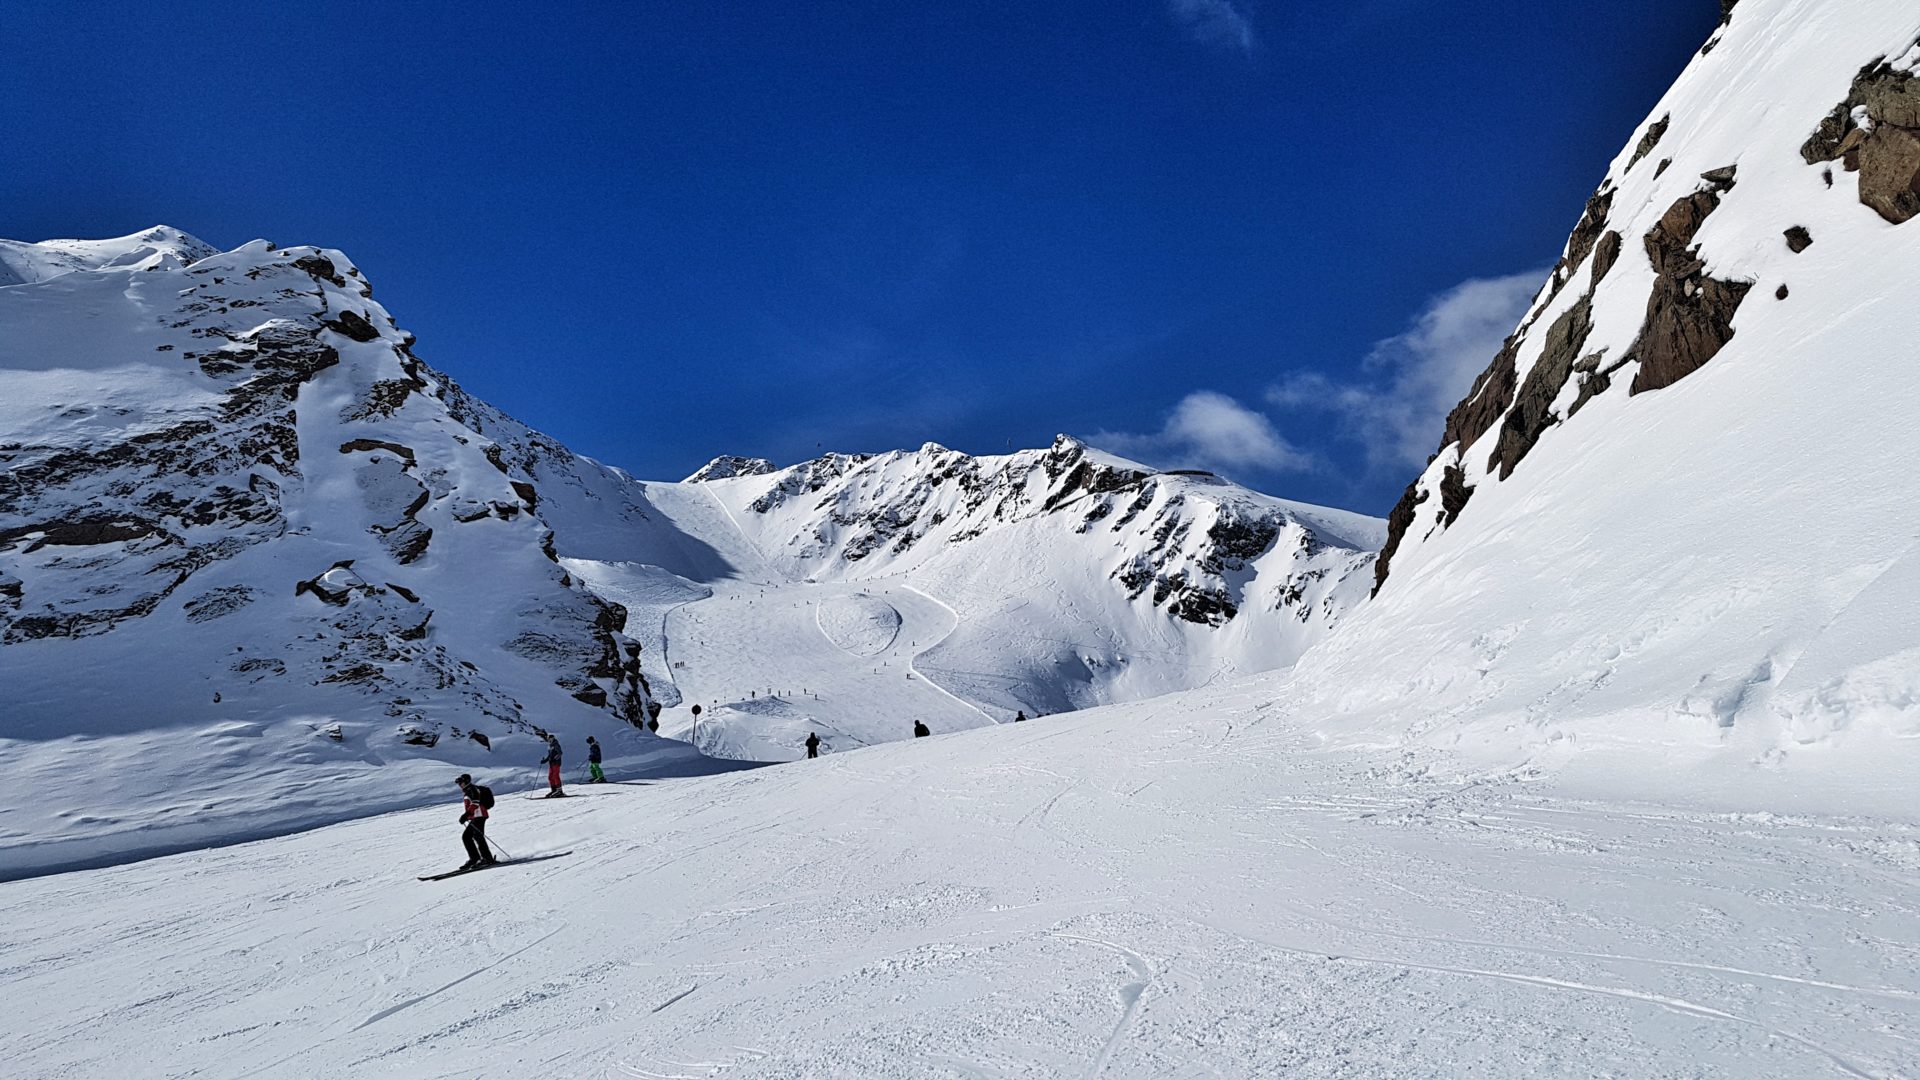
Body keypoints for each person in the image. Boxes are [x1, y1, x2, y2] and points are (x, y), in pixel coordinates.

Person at [455, 773, 496, 870]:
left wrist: (466, 814)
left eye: (461, 782)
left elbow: (475, 802)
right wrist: (467, 815)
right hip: (475, 816)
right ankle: (475, 858)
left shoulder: (472, 789)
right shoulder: (468, 790)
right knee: (467, 837)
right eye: (459, 783)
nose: (460, 785)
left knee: (477, 836)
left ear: (466, 782)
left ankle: (487, 858)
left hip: (480, 815)